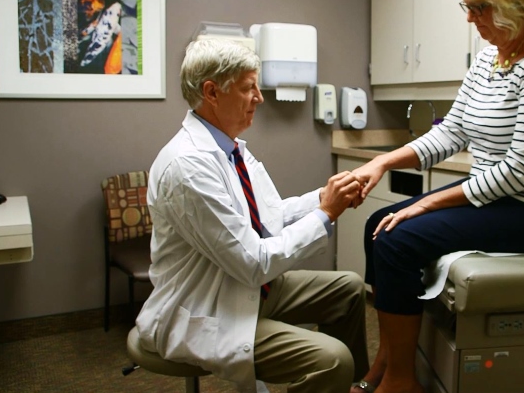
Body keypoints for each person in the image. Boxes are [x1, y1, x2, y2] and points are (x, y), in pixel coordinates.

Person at [349, 0, 524, 392]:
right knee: (377, 224)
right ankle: (388, 360)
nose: (471, 19)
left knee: (398, 238)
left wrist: (425, 206)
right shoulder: (491, 57)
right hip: (504, 196)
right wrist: (381, 162)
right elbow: (453, 132)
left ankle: (400, 383)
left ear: (517, 3)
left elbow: (520, 171)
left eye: (479, 7)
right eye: (469, 6)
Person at [136, 39, 369, 393]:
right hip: (206, 307)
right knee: (333, 359)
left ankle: (347, 388)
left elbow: (269, 218)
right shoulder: (188, 166)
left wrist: (323, 198)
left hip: (246, 288)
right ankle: (334, 380)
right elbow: (253, 262)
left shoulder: (229, 149)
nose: (259, 98)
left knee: (349, 289)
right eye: (249, 88)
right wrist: (326, 213)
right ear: (211, 92)